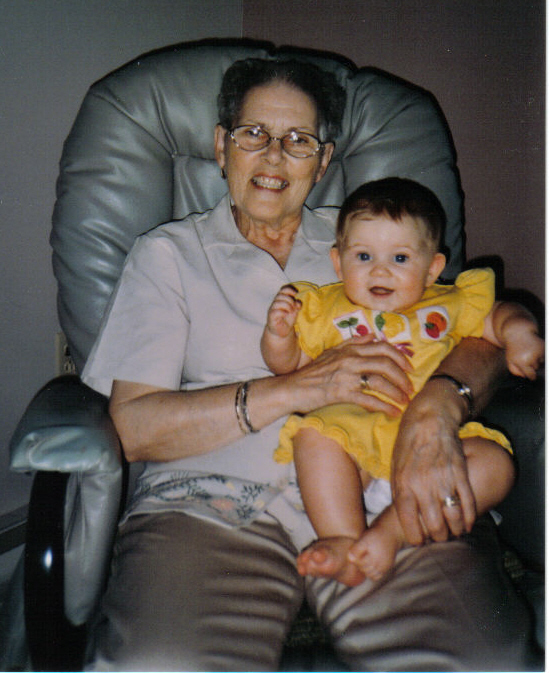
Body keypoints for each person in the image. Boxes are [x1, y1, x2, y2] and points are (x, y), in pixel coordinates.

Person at [81, 57, 538, 671]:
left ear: (323, 163)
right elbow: (135, 428)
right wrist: (299, 389)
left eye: (298, 140)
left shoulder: (373, 242)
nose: (273, 156)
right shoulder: (167, 256)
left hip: (384, 491)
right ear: (221, 147)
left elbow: (470, 331)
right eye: (253, 134)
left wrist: (437, 406)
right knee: (161, 663)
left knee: (483, 660)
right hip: (212, 506)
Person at [261, 177, 544, 588]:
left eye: (399, 258)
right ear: (338, 263)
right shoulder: (327, 308)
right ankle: (343, 539)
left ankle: (389, 534)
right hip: (355, 438)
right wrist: (279, 335)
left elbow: (497, 316)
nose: (380, 270)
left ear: (432, 269)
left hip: (434, 451)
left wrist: (519, 333)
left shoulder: (448, 303)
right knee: (314, 437)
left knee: (496, 465)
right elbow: (288, 365)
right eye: (363, 256)